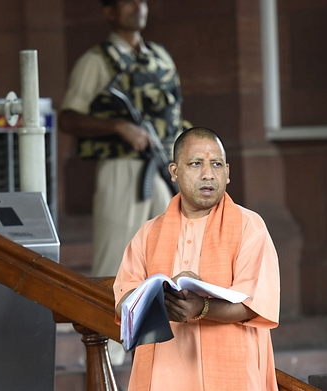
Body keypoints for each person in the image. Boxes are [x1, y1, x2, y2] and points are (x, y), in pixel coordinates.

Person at [114, 127, 281, 391]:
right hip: (164, 373)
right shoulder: (149, 233)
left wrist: (200, 307)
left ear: (227, 173)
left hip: (232, 371)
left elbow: (255, 304)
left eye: (216, 164)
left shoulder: (249, 226)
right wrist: (162, 297)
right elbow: (124, 303)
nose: (208, 174)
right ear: (174, 172)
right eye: (195, 163)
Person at [58, 0, 188, 279]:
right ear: (109, 12)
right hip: (121, 168)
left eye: (142, 1)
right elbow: (68, 118)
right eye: (128, 2)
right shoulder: (96, 61)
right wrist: (118, 126)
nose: (138, 7)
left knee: (168, 260)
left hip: (163, 167)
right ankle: (106, 321)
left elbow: (174, 114)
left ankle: (158, 320)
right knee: (116, 263)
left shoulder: (160, 57)